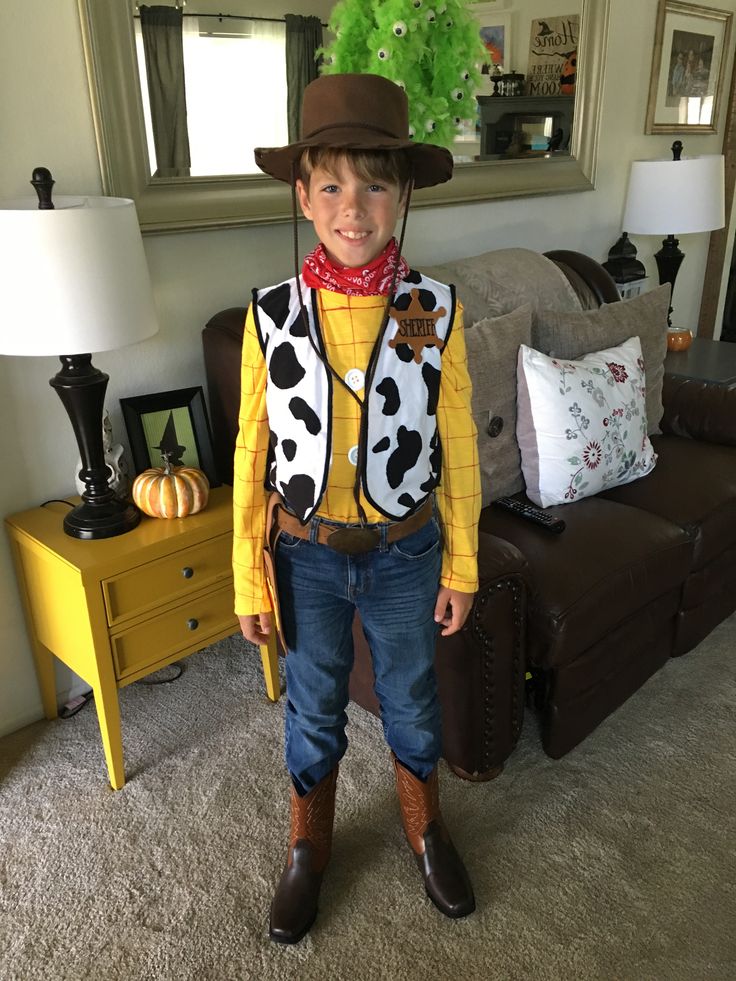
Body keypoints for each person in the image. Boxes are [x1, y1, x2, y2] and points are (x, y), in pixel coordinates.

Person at [232, 73, 481, 944]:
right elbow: (250, 450)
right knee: (314, 702)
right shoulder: (271, 315)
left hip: (407, 553)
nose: (353, 205)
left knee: (412, 699)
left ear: (404, 194)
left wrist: (463, 565)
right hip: (303, 553)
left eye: (375, 182)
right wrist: (248, 578)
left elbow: (456, 441)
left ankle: (423, 825)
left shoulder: (431, 310)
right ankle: (309, 843)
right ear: (303, 195)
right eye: (332, 183)